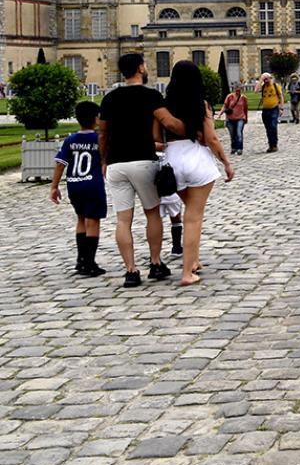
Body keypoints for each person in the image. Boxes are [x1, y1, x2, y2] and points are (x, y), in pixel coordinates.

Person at [100, 52, 176, 288]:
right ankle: (155, 263)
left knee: (123, 219)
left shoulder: (110, 98)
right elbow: (168, 122)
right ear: (141, 68)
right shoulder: (152, 96)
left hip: (116, 164)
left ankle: (131, 271)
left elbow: (103, 133)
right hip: (143, 159)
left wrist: (103, 161)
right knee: (152, 213)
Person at [161, 60, 235, 286]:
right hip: (195, 159)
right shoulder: (200, 104)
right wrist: (226, 162)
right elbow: (211, 138)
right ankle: (186, 272)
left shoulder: (164, 106)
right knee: (194, 217)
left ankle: (194, 261)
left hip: (172, 159)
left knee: (189, 212)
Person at [50, 101, 106, 276]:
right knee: (93, 220)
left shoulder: (70, 140)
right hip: (92, 184)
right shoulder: (99, 139)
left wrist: (54, 186)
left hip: (74, 183)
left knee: (81, 219)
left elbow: (60, 164)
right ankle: (90, 262)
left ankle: (80, 260)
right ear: (96, 118)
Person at [257, 73, 283, 152]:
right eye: (264, 79)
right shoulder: (263, 86)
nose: (266, 81)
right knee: (268, 128)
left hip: (274, 109)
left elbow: (281, 97)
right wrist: (260, 80)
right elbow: (256, 90)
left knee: (273, 126)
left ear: (270, 78)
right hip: (265, 110)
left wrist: (281, 108)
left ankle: (274, 144)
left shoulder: (275, 86)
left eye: (267, 79)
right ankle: (270, 145)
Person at [219, 85, 248, 156]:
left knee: (239, 133)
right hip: (230, 119)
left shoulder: (244, 98)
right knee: (232, 135)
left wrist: (246, 118)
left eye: (239, 90)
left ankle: (240, 148)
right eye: (236, 90)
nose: (238, 92)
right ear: (234, 90)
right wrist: (220, 114)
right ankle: (233, 147)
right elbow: (225, 106)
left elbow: (245, 109)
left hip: (240, 118)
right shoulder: (229, 97)